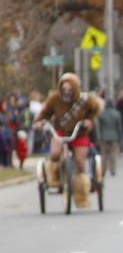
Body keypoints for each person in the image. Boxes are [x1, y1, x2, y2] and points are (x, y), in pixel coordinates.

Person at [34, 72, 102, 207]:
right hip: (60, 131)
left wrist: (89, 120)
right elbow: (45, 113)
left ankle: (81, 193)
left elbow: (96, 109)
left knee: (80, 163)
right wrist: (40, 122)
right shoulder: (54, 98)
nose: (66, 92)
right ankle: (55, 177)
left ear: (75, 89)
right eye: (64, 89)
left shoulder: (85, 100)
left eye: (69, 90)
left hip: (80, 133)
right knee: (54, 154)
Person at [95, 90, 123, 176]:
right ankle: (113, 170)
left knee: (104, 155)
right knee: (113, 154)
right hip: (114, 136)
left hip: (103, 137)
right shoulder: (117, 114)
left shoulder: (101, 114)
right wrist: (120, 137)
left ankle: (103, 170)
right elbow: (119, 126)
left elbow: (98, 126)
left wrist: (98, 137)